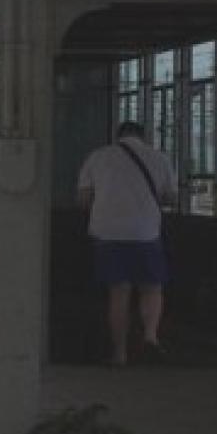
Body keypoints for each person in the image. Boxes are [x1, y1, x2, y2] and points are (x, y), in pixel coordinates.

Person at [77, 121, 177, 365]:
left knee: (118, 293)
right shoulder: (160, 159)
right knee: (151, 288)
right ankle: (151, 336)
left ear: (118, 136)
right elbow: (171, 199)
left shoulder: (97, 157)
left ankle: (119, 354)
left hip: (108, 235)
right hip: (146, 233)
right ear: (143, 137)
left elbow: (83, 199)